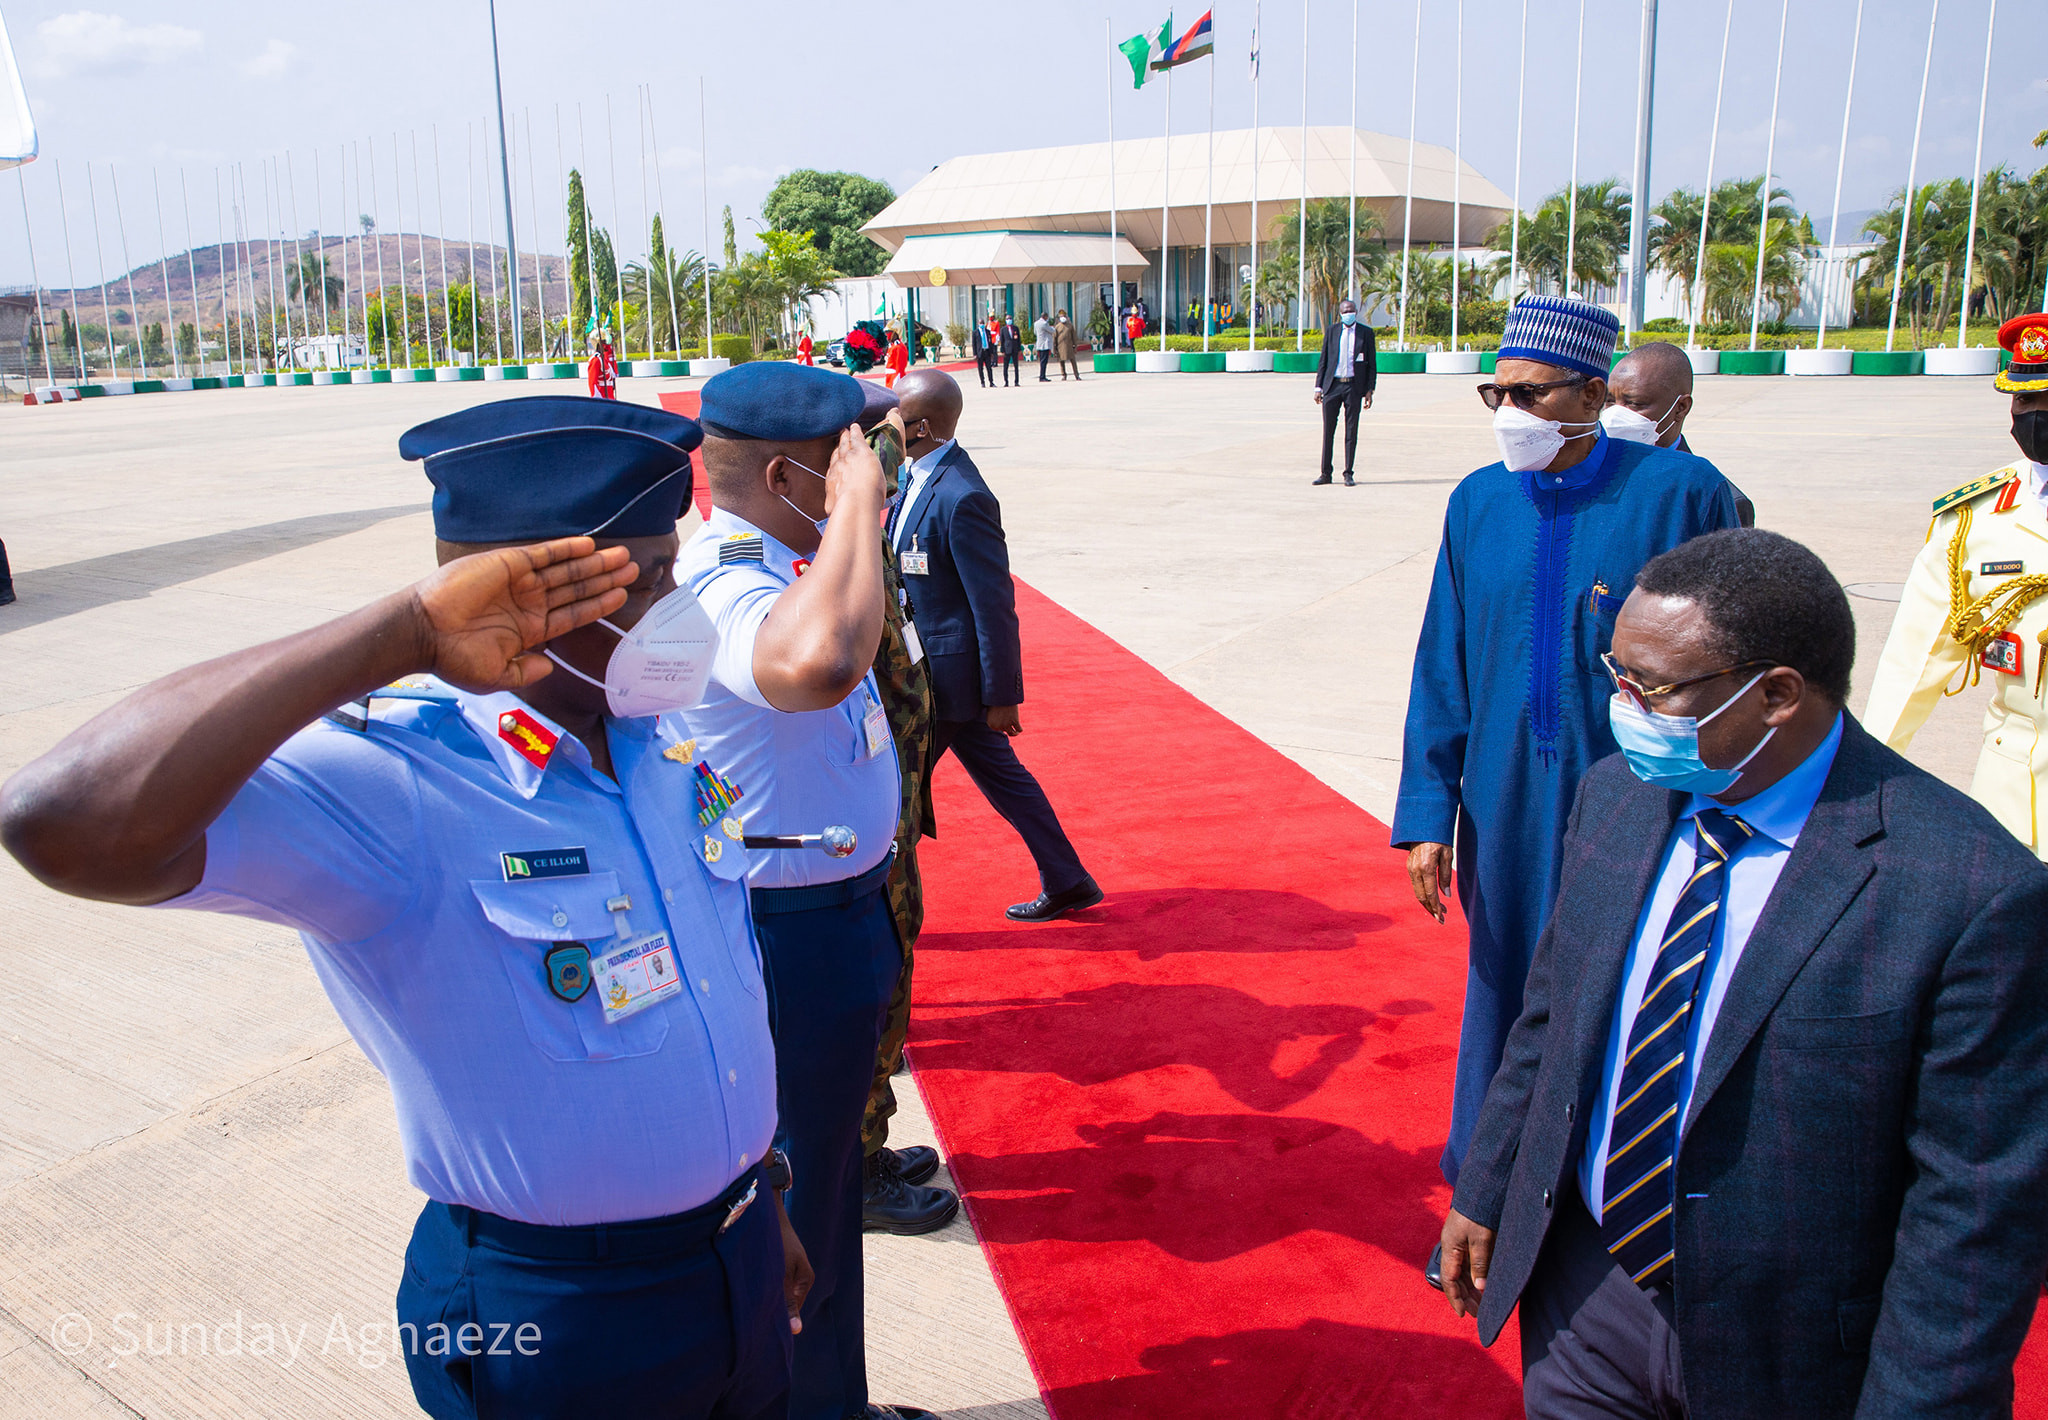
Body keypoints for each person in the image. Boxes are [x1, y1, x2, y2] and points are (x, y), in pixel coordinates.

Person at [0, 396, 813, 1419]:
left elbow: (710, 1002)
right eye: (648, 578)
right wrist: (404, 631)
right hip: (562, 1314)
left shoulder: (655, 739)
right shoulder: (394, 783)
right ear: (541, 596)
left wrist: (758, 1194)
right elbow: (58, 820)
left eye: (673, 563)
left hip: (734, 1252)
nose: (679, 602)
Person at [1438, 527, 2048, 1419]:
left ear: (1775, 696)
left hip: (1788, 1350)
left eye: (1652, 689)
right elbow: (1552, 1019)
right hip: (1586, 1295)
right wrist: (1487, 1186)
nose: (1623, 707)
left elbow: (1974, 1216)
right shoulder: (1616, 796)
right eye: (1617, 677)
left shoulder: (1970, 892)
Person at [1393, 294, 1742, 1213]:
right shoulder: (1477, 504)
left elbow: (1731, 659)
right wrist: (1428, 814)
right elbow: (1443, 662)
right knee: (1503, 994)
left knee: (1632, 994)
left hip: (1639, 800)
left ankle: (1609, 1197)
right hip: (1504, 803)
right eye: (1494, 393)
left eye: (1530, 394)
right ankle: (1489, 1190)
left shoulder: (1683, 495)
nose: (1508, 413)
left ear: (1591, 393)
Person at [678, 362, 944, 1420]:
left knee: (828, 1199)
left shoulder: (795, 557)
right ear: (794, 475)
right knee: (786, 1205)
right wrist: (858, 514)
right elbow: (824, 662)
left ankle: (833, 1401)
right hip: (782, 939)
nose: (873, 466)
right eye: (852, 453)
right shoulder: (724, 578)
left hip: (838, 920)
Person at [891, 368, 1101, 922]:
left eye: (899, 419)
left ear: (927, 427)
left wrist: (1002, 694)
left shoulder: (963, 497)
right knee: (1005, 782)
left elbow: (994, 605)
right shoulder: (914, 475)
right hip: (926, 670)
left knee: (896, 790)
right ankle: (1068, 878)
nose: (889, 427)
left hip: (950, 683)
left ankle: (877, 901)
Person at [1863, 311, 2048, 859]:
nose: (2036, 418)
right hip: (2015, 785)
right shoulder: (1974, 516)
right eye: (2024, 403)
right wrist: (1867, 774)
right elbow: (1913, 661)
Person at [850, 385, 957, 1235]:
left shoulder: (855, 536)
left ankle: (869, 1145)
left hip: (891, 818)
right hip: (858, 837)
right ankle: (851, 1172)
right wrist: (887, 441)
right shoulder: (826, 546)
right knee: (870, 1001)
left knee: (892, 992)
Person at [1604, 341, 1755, 526]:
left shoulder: (1718, 500)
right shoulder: (1593, 475)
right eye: (1609, 402)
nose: (1615, 415)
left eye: (1635, 404)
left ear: (1681, 408)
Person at [1312, 298, 1378, 486]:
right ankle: (1325, 473)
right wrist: (1318, 387)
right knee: (1328, 431)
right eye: (1344, 311)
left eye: (1351, 310)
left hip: (1353, 387)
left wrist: (1369, 390)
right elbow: (1323, 360)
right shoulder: (1332, 332)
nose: (1348, 313)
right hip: (1332, 386)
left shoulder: (1366, 334)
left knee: (1351, 431)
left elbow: (1372, 364)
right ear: (1340, 313)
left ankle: (1348, 472)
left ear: (1355, 312)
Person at [586, 327, 618, 400]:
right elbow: (592, 382)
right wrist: (597, 399)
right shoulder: (596, 360)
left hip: (610, 396)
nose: (606, 345)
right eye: (604, 342)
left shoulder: (603, 358)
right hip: (602, 396)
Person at [972, 315, 1000, 389]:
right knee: (980, 368)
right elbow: (974, 344)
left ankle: (991, 382)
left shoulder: (987, 332)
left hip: (987, 352)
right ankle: (982, 382)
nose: (982, 324)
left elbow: (990, 342)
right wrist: (975, 354)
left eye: (983, 323)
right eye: (981, 323)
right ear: (978, 324)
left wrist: (991, 352)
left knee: (989, 368)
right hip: (980, 353)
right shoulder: (975, 332)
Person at [1053, 310, 1081, 381]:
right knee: (1061, 362)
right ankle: (1064, 375)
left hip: (1069, 346)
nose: (1062, 317)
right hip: (1060, 347)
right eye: (1061, 316)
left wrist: (1075, 346)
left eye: (1063, 316)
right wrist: (1054, 349)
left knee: (1073, 361)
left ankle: (1076, 375)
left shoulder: (1070, 326)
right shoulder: (1057, 327)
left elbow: (1074, 337)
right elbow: (1054, 338)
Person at [999, 315, 1022, 388]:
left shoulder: (1015, 328)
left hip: (1015, 349)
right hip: (1007, 349)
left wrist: (1019, 349)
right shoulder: (1003, 329)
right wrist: (1002, 350)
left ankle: (1016, 381)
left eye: (1010, 319)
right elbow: (1002, 341)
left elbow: (1018, 340)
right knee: (1006, 367)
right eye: (1007, 319)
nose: (1009, 320)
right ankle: (1006, 381)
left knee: (1016, 366)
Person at [1033, 311, 1054, 382]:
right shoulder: (1044, 323)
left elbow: (1035, 332)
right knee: (1044, 361)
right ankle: (1042, 376)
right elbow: (1051, 330)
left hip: (1039, 343)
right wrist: (1054, 328)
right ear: (1045, 317)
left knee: (1042, 361)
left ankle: (1042, 375)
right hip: (1045, 344)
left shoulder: (1036, 323)